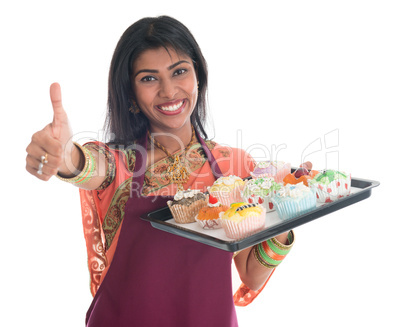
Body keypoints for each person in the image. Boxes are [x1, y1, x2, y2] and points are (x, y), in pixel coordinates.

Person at [25, 16, 295, 327]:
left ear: (199, 76)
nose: (169, 91)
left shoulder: (233, 166)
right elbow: (85, 164)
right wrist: (63, 157)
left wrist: (284, 215)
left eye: (180, 71)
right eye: (149, 78)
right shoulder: (119, 162)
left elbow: (251, 273)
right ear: (130, 92)